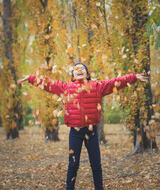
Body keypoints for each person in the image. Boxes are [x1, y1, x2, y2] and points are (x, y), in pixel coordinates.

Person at [17, 62, 147, 190]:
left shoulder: (97, 86)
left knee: (96, 165)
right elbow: (48, 83)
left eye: (82, 69)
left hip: (92, 132)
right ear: (73, 75)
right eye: (76, 69)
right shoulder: (65, 87)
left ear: (87, 74)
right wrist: (30, 78)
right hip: (75, 132)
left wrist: (134, 77)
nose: (79, 70)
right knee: (73, 165)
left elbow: (115, 82)